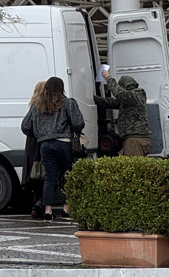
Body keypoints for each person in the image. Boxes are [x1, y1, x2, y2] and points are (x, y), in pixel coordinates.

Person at [21, 77, 84, 222]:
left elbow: (25, 126)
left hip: (45, 145)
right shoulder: (68, 103)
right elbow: (78, 123)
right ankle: (66, 208)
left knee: (49, 177)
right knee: (67, 176)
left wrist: (39, 134)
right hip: (63, 143)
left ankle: (48, 211)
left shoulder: (37, 106)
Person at [97, 70, 152, 157]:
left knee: (133, 168)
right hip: (135, 139)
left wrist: (108, 77)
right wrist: (94, 99)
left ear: (125, 86)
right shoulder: (131, 99)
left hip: (135, 139)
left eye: (121, 87)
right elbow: (113, 102)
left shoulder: (134, 95)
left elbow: (119, 93)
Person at [23, 80, 46, 219]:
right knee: (46, 174)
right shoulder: (50, 107)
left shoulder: (33, 107)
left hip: (33, 144)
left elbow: (25, 126)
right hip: (43, 142)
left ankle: (36, 206)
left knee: (36, 174)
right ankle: (42, 202)